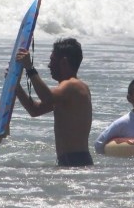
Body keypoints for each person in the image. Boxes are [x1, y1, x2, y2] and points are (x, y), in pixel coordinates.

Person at [13, 38, 93, 167]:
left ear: (64, 62)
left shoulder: (73, 86)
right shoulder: (67, 92)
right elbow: (35, 110)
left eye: (52, 60)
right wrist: (16, 87)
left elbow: (47, 98)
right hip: (71, 160)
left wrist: (30, 68)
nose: (49, 65)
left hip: (76, 161)